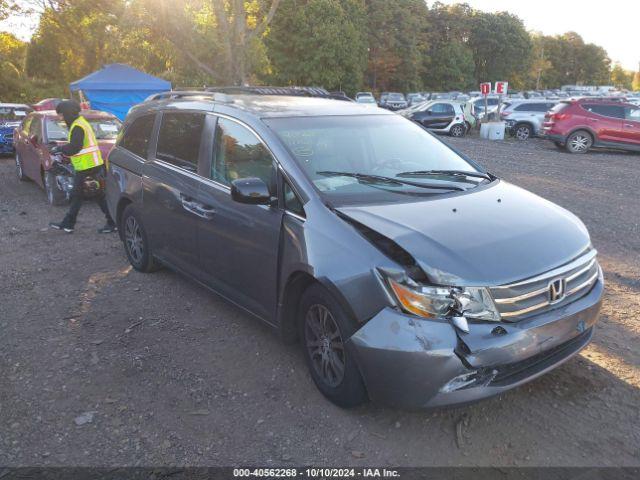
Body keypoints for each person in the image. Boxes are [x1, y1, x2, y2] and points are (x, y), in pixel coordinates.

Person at [49, 100, 116, 234]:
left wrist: (59, 149)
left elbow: (75, 147)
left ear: (67, 113)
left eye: (61, 115)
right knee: (85, 195)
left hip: (88, 166)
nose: (60, 118)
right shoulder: (80, 123)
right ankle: (69, 223)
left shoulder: (78, 126)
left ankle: (111, 222)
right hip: (90, 165)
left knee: (87, 195)